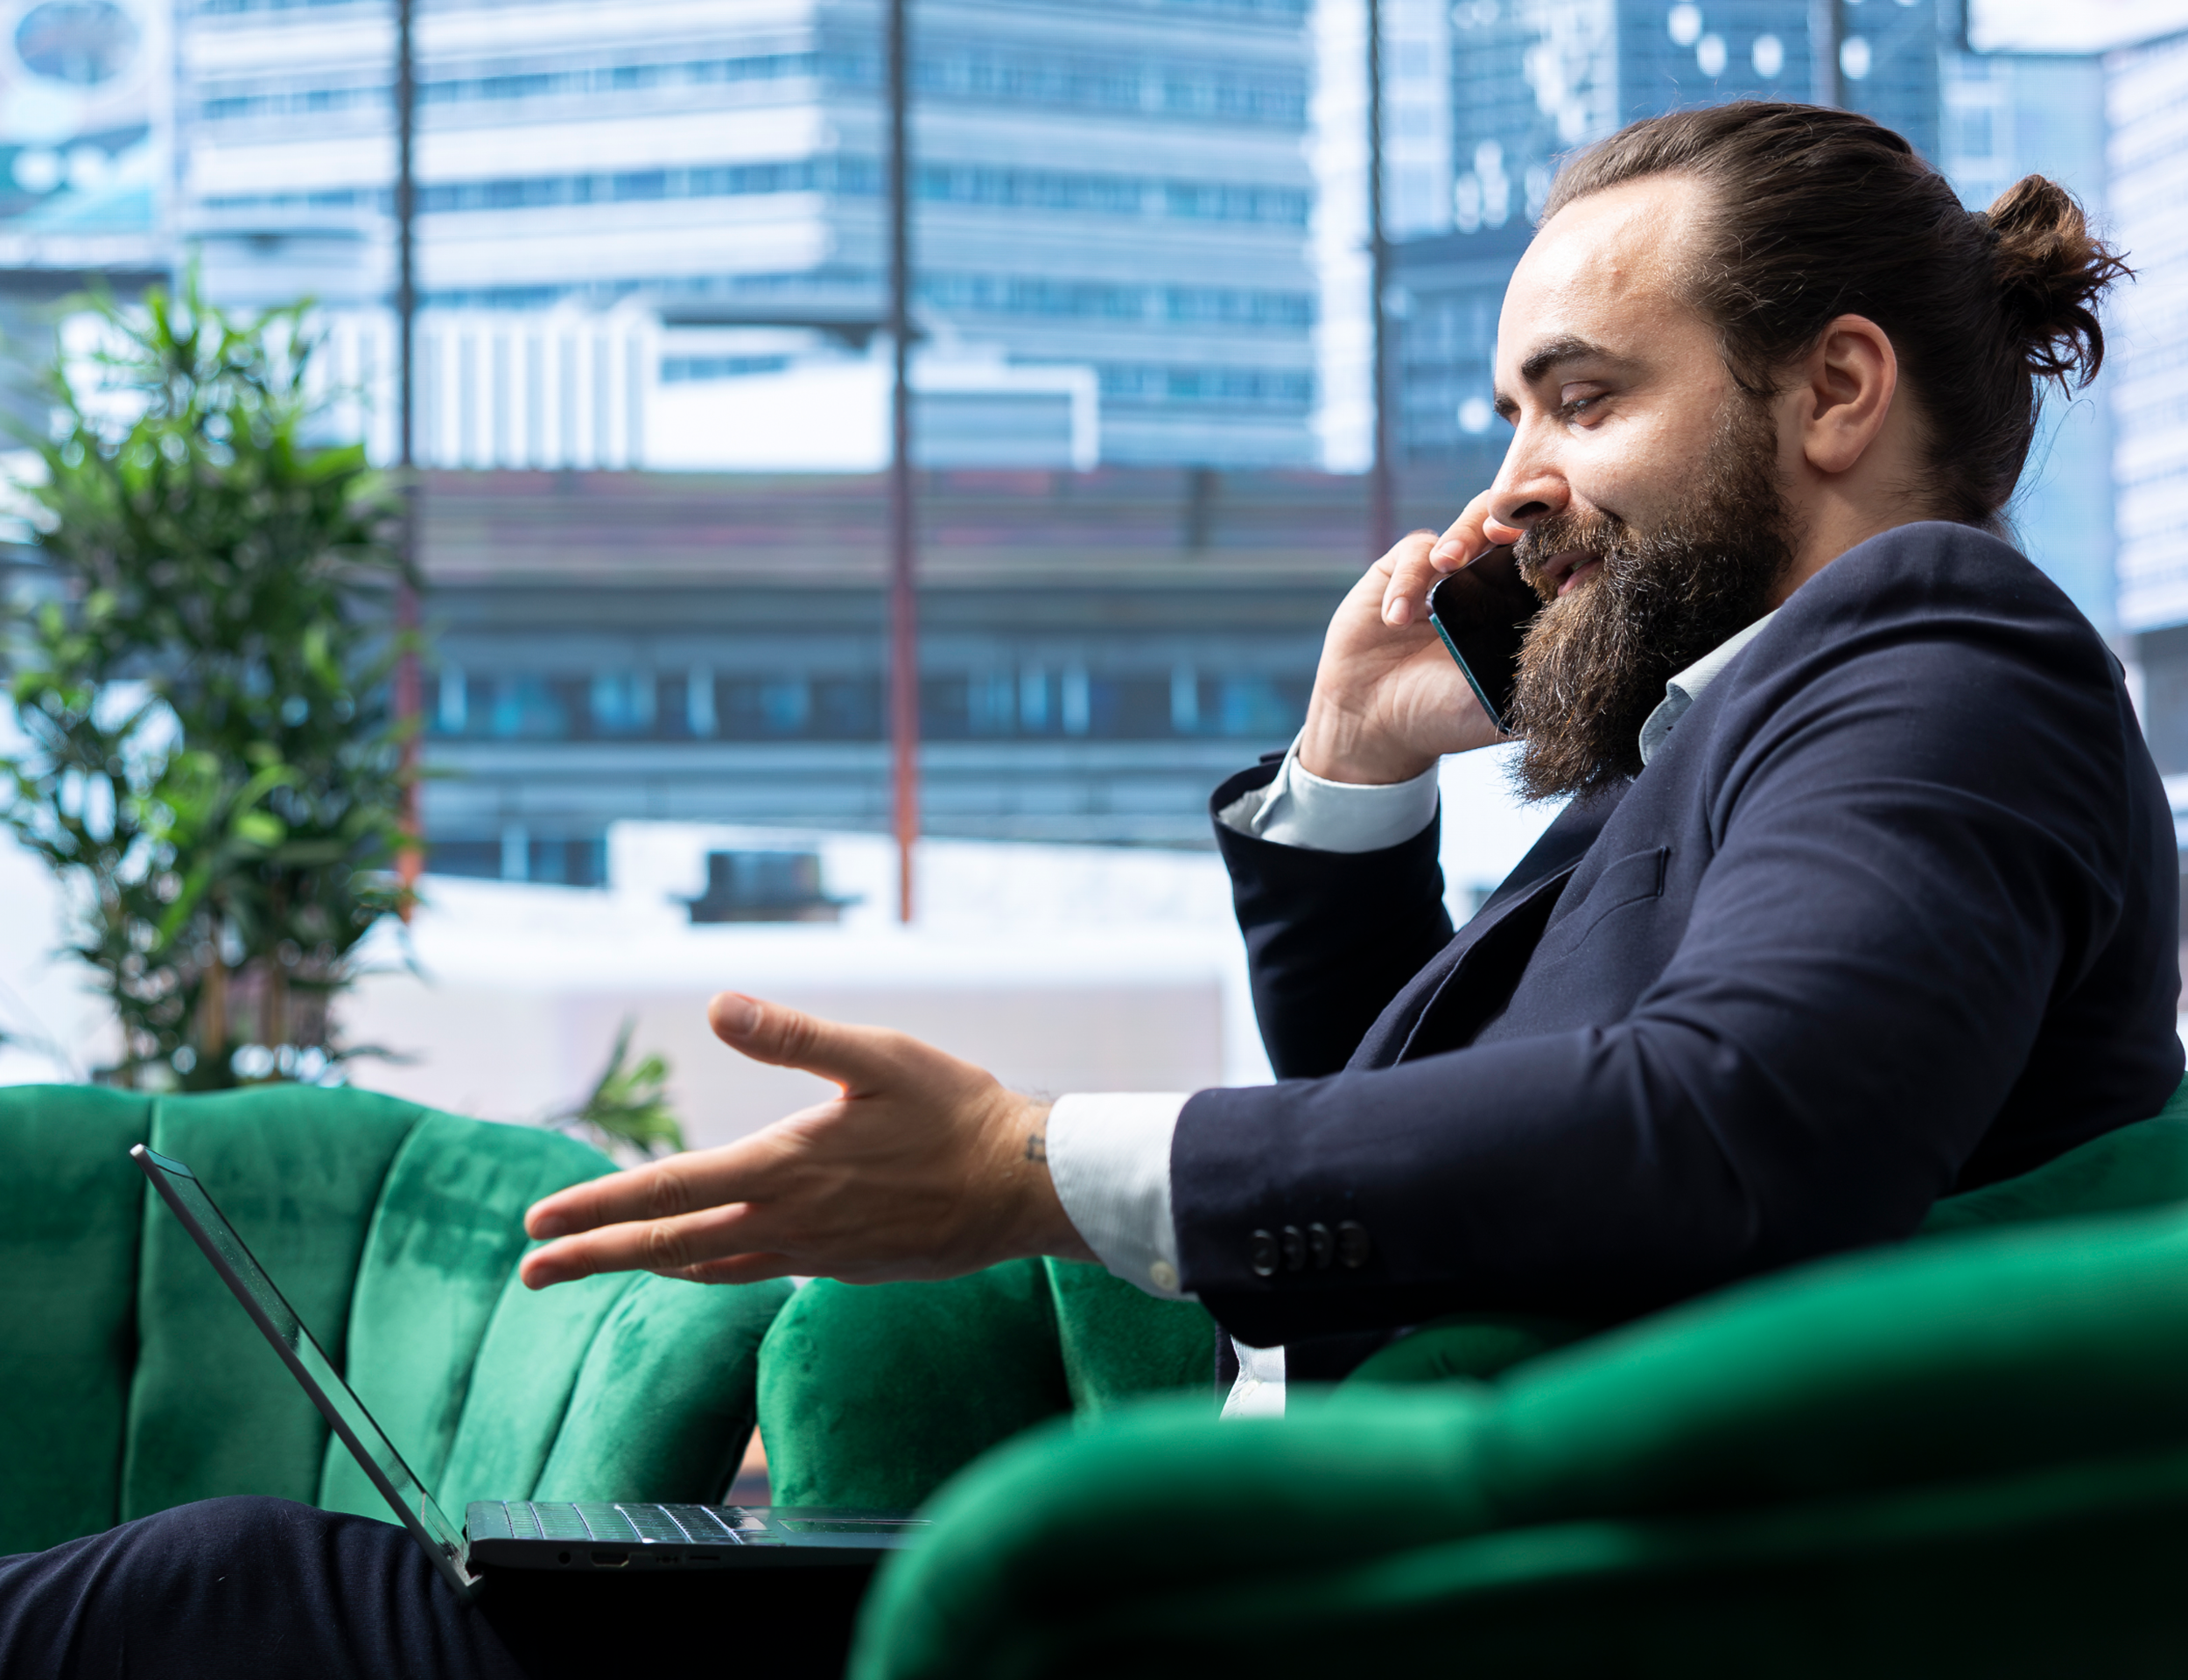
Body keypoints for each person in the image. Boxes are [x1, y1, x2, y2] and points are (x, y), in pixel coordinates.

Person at [1, 100, 2176, 1676]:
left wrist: (1035, 1167)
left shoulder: (1928, 661)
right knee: (222, 1585)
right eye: (1510, 405)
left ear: (1833, 389)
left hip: (1324, 1598)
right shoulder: (1728, 725)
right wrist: (1346, 787)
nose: (1511, 479)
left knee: (213, 1595)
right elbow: (1445, 1188)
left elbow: (1725, 1127)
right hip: (1274, 1567)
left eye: (1580, 401)